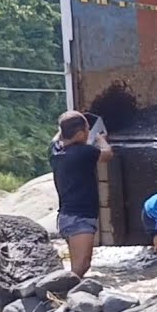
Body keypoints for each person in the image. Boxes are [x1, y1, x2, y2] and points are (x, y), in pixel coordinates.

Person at [50, 111, 113, 278]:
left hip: (66, 217)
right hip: (81, 217)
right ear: (79, 134)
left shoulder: (55, 150)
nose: (88, 132)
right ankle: (62, 293)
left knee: (76, 265)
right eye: (86, 129)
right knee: (82, 265)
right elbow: (107, 154)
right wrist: (101, 139)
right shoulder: (85, 152)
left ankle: (71, 295)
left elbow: (57, 137)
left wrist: (71, 119)